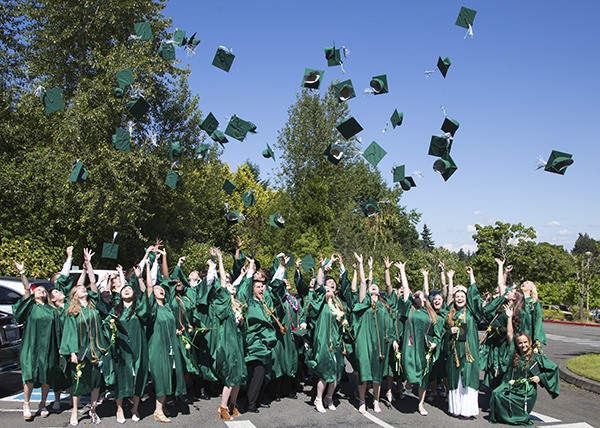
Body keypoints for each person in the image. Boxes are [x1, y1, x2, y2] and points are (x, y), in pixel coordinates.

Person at [59, 248, 105, 426]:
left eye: (82, 288)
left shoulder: (93, 305)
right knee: (78, 382)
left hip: (95, 349)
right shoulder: (73, 312)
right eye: (79, 289)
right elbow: (69, 333)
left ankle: (93, 410)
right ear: (74, 295)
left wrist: (88, 263)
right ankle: (74, 412)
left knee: (95, 381)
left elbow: (93, 282)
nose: (82, 289)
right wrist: (71, 352)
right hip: (80, 350)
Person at [490, 310, 560, 426]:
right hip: (513, 385)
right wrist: (509, 318)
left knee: (504, 397)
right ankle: (506, 416)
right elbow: (509, 334)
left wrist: (540, 377)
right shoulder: (515, 355)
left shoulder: (537, 357)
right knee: (496, 393)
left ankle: (517, 417)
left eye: (525, 342)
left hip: (527, 390)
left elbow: (553, 368)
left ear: (530, 342)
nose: (523, 345)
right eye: (520, 343)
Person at [12, 261, 61, 421]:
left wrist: (60, 348)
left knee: (46, 374)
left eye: (43, 290)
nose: (40, 291)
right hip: (31, 346)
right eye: (38, 290)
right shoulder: (30, 307)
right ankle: (26, 404)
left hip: (48, 347)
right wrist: (22, 272)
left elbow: (58, 331)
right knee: (30, 374)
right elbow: (27, 288)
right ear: (34, 295)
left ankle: (43, 403)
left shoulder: (52, 310)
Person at [105, 259, 150, 423]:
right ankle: (119, 409)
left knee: (138, 376)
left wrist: (139, 279)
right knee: (121, 377)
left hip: (137, 347)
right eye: (124, 289)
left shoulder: (139, 309)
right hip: (121, 349)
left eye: (130, 289)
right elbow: (105, 325)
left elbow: (146, 296)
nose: (127, 290)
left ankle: (135, 408)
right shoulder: (115, 310)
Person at [302, 255, 350, 413]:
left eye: (333, 285)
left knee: (336, 371)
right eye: (328, 285)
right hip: (323, 340)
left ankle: (329, 398)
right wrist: (324, 267)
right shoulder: (320, 301)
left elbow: (343, 318)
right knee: (324, 371)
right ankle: (318, 398)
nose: (331, 286)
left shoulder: (339, 304)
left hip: (335, 340)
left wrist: (344, 323)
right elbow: (318, 286)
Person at [146, 246, 188, 423]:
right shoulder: (153, 308)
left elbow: (167, 279)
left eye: (162, 289)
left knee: (169, 377)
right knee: (161, 378)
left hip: (170, 347)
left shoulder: (168, 307)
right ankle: (157, 411)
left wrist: (177, 330)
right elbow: (150, 285)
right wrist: (149, 263)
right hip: (158, 348)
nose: (161, 289)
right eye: (157, 289)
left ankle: (161, 407)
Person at [353, 254, 397, 414]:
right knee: (364, 372)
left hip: (379, 346)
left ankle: (376, 401)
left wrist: (393, 340)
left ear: (379, 293)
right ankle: (363, 401)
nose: (373, 287)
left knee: (377, 376)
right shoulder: (363, 303)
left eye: (375, 288)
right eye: (371, 286)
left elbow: (390, 326)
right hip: (364, 344)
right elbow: (364, 284)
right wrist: (361, 265)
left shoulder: (384, 308)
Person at [396, 261, 439, 416]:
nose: (417, 295)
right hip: (410, 345)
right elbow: (406, 290)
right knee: (408, 369)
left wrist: (434, 343)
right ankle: (406, 384)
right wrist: (402, 271)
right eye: (416, 295)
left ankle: (420, 404)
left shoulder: (430, 314)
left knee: (423, 377)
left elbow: (436, 333)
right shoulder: (409, 308)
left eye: (420, 294)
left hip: (424, 347)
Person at [211, 247, 247, 420]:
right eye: (229, 285)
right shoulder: (224, 302)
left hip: (237, 341)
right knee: (231, 375)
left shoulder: (237, 304)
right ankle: (223, 407)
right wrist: (220, 259)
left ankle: (233, 405)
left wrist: (240, 320)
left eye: (233, 286)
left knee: (239, 375)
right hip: (227, 341)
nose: (231, 287)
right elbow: (223, 282)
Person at [444, 267, 484, 419]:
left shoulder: (472, 312)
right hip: (455, 351)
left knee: (468, 377)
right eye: (457, 296)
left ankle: (467, 409)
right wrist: (450, 331)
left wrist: (471, 275)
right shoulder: (451, 313)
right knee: (456, 379)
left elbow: (475, 296)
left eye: (462, 296)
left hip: (469, 352)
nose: (460, 298)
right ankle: (455, 407)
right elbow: (443, 332)